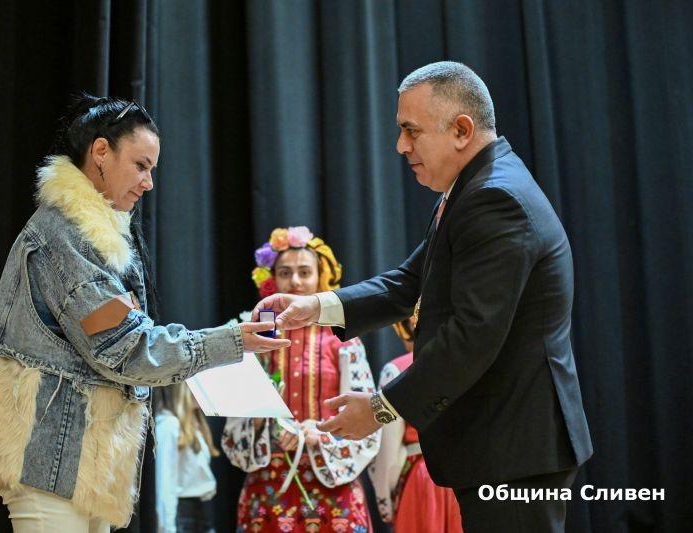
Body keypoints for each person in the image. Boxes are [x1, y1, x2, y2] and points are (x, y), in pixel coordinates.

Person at [252, 62, 593, 533]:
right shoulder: (473, 187)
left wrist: (379, 409)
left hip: (515, 446)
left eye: (411, 130)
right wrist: (315, 307)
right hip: (504, 443)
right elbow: (408, 282)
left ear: (461, 130)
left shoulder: (495, 199)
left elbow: (472, 337)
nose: (400, 145)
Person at [0, 94, 289, 532]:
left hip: (78, 461)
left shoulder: (93, 235)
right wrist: (232, 341)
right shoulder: (64, 234)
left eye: (151, 169)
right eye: (140, 165)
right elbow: (125, 349)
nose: (148, 183)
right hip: (49, 458)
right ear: (101, 152)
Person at [222, 226, 379, 532]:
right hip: (268, 485)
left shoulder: (343, 339)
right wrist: (259, 421)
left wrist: (322, 433)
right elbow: (234, 427)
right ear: (272, 280)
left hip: (333, 486)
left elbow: (368, 415)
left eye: (305, 272)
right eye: (285, 273)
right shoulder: (256, 337)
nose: (295, 281)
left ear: (321, 277)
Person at [368, 317, 462, 532]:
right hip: (468, 477)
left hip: (423, 479)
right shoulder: (472, 365)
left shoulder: (396, 371)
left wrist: (385, 500)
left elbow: (388, 452)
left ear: (412, 325)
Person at [154, 384, 219, 532]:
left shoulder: (196, 424)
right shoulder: (169, 424)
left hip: (200, 513)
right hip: (181, 516)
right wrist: (166, 529)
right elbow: (165, 484)